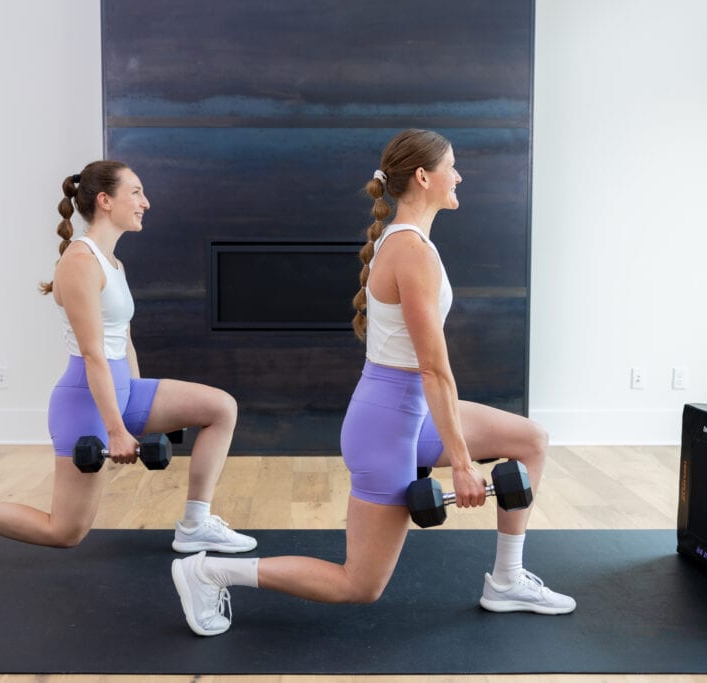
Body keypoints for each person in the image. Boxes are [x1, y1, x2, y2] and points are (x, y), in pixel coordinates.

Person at [171, 129, 575, 636]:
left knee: (529, 440)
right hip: (386, 427)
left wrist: (458, 454)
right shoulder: (412, 252)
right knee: (359, 584)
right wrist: (464, 464)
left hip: (410, 413)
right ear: (424, 177)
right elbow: (433, 369)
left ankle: (508, 580)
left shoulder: (410, 243)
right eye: (452, 166)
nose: (460, 175)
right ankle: (209, 571)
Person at [0, 160, 256, 569]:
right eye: (137, 192)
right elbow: (92, 354)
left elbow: (122, 339)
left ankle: (195, 524)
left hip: (120, 389)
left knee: (220, 407)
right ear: (106, 201)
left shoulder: (113, 263)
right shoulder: (79, 263)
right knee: (65, 532)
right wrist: (116, 429)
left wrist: (138, 407)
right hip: (85, 400)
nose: (147, 202)